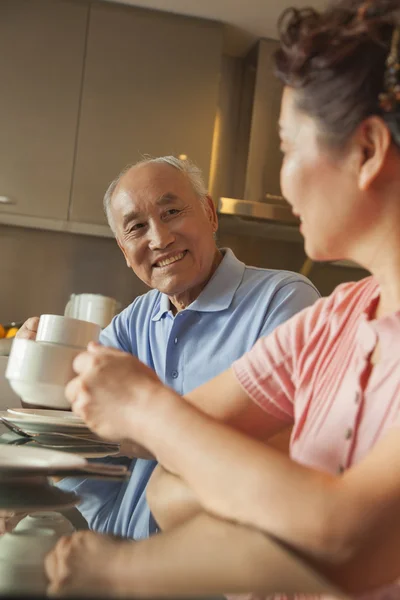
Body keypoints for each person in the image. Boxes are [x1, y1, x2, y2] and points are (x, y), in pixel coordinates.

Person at [44, 0, 400, 597]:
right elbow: (165, 476)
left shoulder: (291, 303)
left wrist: (124, 571)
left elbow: (346, 537)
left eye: (287, 147)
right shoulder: (335, 320)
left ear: (365, 151)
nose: (282, 178)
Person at [14, 155, 319, 541]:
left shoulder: (283, 300)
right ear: (125, 252)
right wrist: (40, 368)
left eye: (172, 211)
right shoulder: (134, 320)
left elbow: (280, 452)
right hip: (128, 565)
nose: (159, 238)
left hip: (229, 572)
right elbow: (78, 423)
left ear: (209, 214)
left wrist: (133, 426)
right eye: (137, 227)